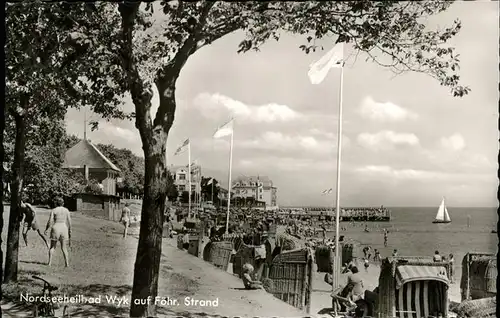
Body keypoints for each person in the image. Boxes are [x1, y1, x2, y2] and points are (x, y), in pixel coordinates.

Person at [45, 197, 71, 267]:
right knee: (64, 248)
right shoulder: (66, 210)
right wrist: (70, 231)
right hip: (63, 227)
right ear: (63, 203)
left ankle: (49, 263)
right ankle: (67, 264)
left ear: (56, 203)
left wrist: (46, 229)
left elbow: (50, 221)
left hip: (56, 227)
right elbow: (69, 222)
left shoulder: (54, 210)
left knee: (52, 247)